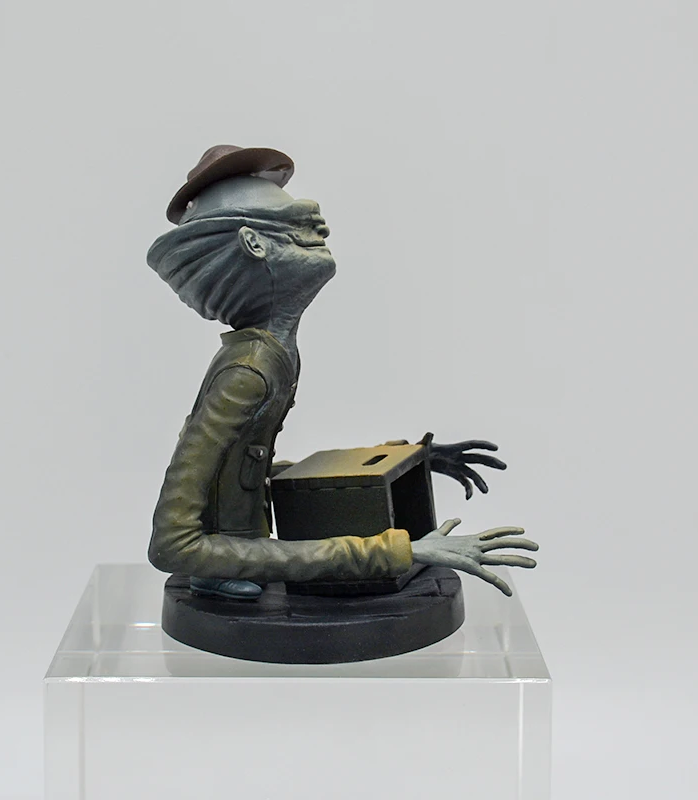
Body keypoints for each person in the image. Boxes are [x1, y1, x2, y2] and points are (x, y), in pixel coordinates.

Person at [146, 145, 538, 601]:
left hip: (245, 547)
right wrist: (398, 552)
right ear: (254, 243)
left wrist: (405, 460)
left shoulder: (273, 355)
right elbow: (172, 543)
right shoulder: (247, 373)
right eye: (293, 222)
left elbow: (247, 478)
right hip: (235, 560)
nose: (320, 225)